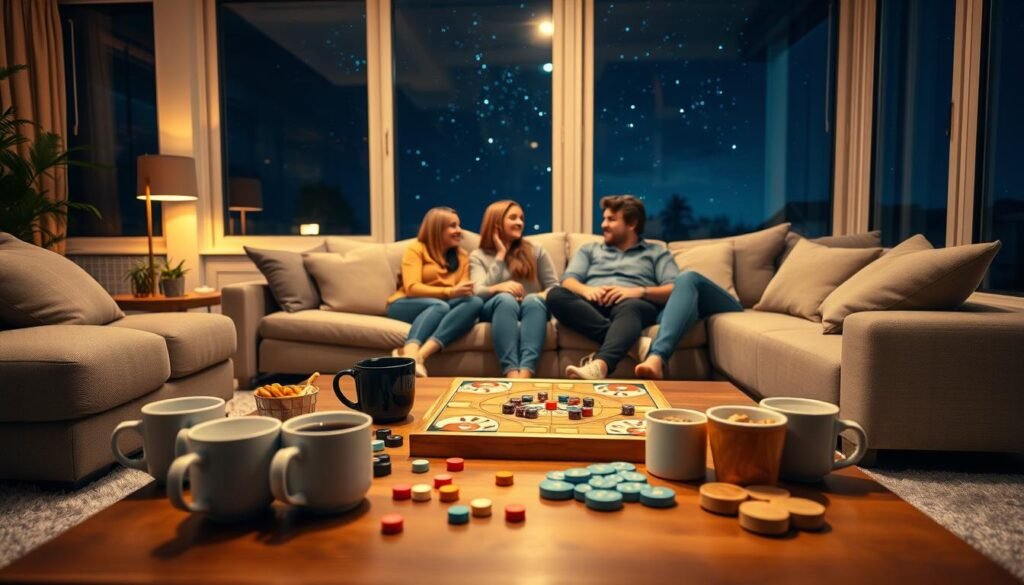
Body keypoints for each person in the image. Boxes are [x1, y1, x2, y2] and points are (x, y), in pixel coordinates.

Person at [546, 195, 678, 379]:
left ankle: (600, 365)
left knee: (631, 307)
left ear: (631, 224)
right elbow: (568, 280)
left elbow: (673, 288)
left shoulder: (656, 252)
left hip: (633, 305)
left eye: (611, 219)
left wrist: (637, 292)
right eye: (604, 218)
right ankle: (634, 345)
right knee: (555, 295)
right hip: (592, 303)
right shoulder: (590, 249)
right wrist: (587, 290)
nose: (603, 225)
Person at [387, 207, 483, 377]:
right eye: (453, 226)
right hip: (405, 304)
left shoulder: (462, 255)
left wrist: (459, 291)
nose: (459, 231)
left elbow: (463, 289)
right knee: (440, 305)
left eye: (459, 225)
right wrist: (449, 291)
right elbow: (411, 287)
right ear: (436, 229)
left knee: (474, 302)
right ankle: (410, 351)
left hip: (442, 305)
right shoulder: (416, 249)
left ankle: (420, 356)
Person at [471, 200, 559, 378]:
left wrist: (536, 296)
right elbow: (478, 291)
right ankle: (511, 373)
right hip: (497, 308)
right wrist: (500, 256)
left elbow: (554, 288)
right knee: (505, 299)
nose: (520, 222)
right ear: (495, 223)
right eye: (513, 218)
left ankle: (525, 375)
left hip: (531, 308)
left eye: (521, 218)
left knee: (533, 300)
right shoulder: (478, 256)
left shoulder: (536, 251)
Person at [633, 271, 743, 379]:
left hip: (715, 300)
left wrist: (641, 292)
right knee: (667, 315)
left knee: (688, 277)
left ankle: (657, 356)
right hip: (675, 305)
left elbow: (671, 286)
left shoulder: (655, 256)